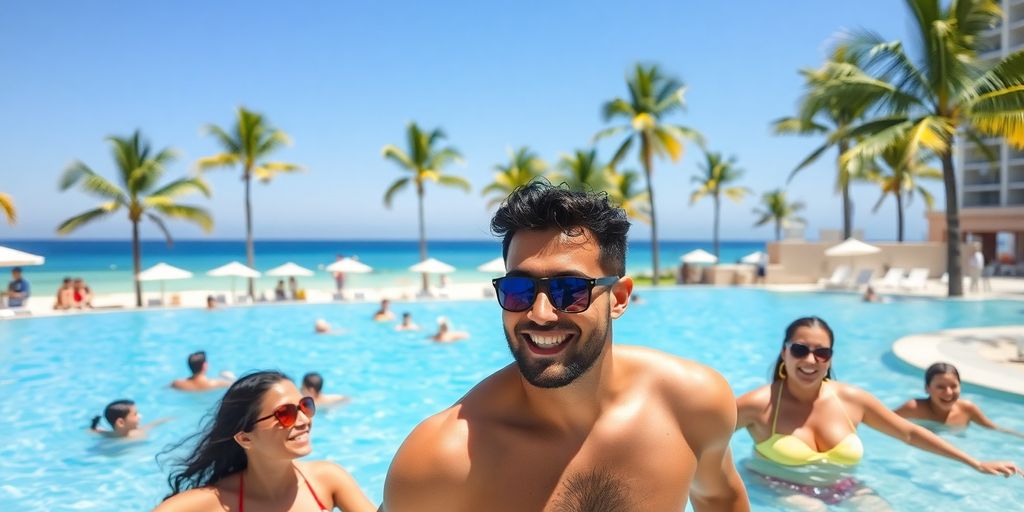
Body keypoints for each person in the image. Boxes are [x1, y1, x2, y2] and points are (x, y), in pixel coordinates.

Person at [382, 182, 749, 511]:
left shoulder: (693, 403)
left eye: (570, 290)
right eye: (518, 290)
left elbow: (719, 497)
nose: (540, 314)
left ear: (619, 298)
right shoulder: (441, 459)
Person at [735, 317, 1022, 508]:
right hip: (776, 485)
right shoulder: (758, 404)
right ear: (784, 353)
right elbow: (697, 438)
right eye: (800, 349)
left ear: (830, 357)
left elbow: (909, 432)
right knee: (814, 509)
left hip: (844, 486)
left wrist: (975, 463)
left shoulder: (852, 400)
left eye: (822, 352)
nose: (811, 360)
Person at [155, 371, 376, 512]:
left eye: (305, 406)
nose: (303, 420)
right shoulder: (213, 502)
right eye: (285, 413)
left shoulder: (326, 480)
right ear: (245, 438)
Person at [894, 362, 1024, 439]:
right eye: (940, 387)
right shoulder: (914, 408)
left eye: (953, 386)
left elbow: (994, 429)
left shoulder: (968, 409)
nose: (949, 392)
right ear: (927, 389)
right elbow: (882, 420)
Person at [89, 399, 169, 439]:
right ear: (121, 422)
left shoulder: (140, 433)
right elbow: (93, 431)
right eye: (135, 414)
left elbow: (152, 424)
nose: (140, 416)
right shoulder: (138, 435)